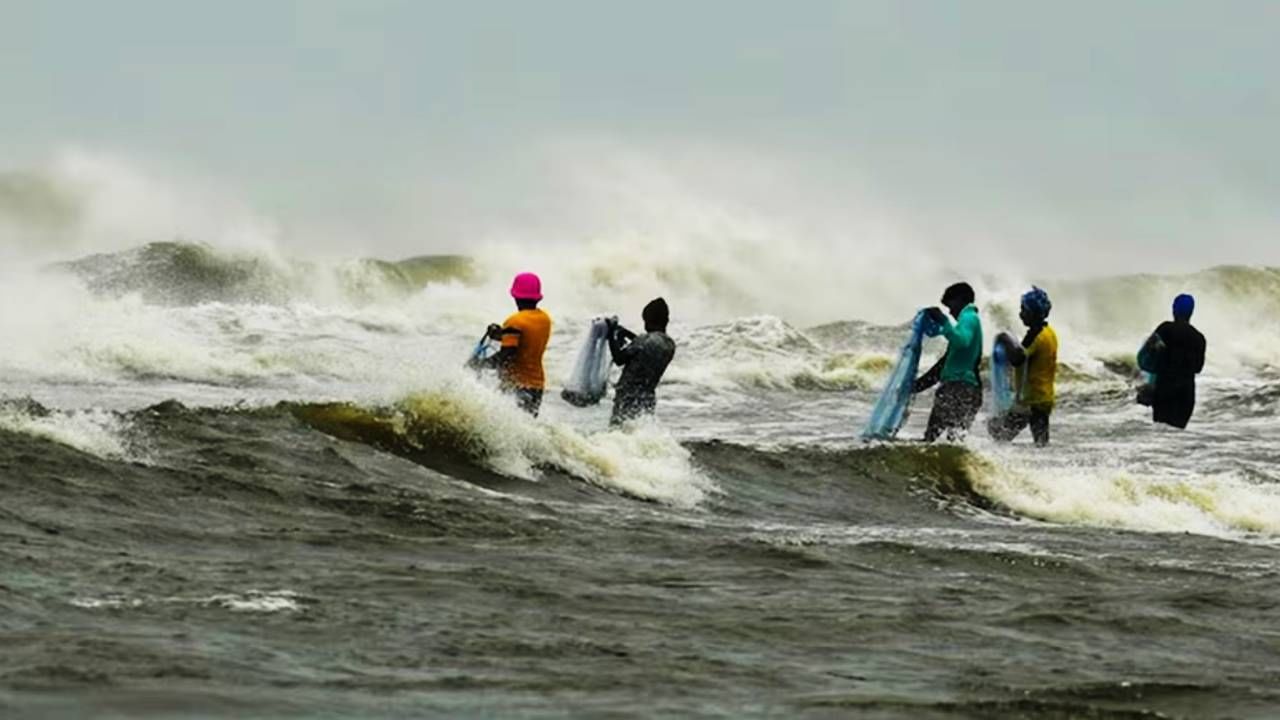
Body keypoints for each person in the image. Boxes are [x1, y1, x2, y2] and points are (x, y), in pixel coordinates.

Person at [912, 282, 984, 442]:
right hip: (968, 390)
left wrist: (943, 321)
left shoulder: (969, 317)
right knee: (955, 442)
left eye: (951, 306)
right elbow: (943, 366)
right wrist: (917, 386)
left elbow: (961, 341)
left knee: (930, 440)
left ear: (960, 300)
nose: (950, 312)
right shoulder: (968, 321)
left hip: (958, 388)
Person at [474, 272, 553, 416]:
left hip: (517, 385)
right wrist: (501, 334)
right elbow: (526, 341)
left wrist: (481, 363)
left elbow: (508, 354)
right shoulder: (544, 319)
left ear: (515, 296)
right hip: (537, 385)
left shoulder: (515, 321)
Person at [989, 287, 1058, 446]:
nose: (1020, 314)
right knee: (1041, 443)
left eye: (1024, 310)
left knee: (998, 433)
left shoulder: (1036, 334)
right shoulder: (1049, 332)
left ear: (1033, 313)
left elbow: (1018, 358)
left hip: (1030, 401)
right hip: (1043, 397)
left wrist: (1005, 338)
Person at [606, 297, 676, 427]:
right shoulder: (669, 345)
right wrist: (626, 333)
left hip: (627, 397)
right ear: (666, 320)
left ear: (649, 321)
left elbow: (619, 359)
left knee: (619, 431)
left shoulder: (644, 340)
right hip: (647, 398)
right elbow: (645, 347)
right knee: (638, 431)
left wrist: (611, 334)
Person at [1141, 293, 1206, 429]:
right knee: (1176, 440)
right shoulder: (1199, 338)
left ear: (1174, 310)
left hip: (1164, 391)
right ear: (1191, 312)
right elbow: (1198, 368)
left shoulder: (1165, 329)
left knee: (1162, 435)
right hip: (1186, 395)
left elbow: (1147, 353)